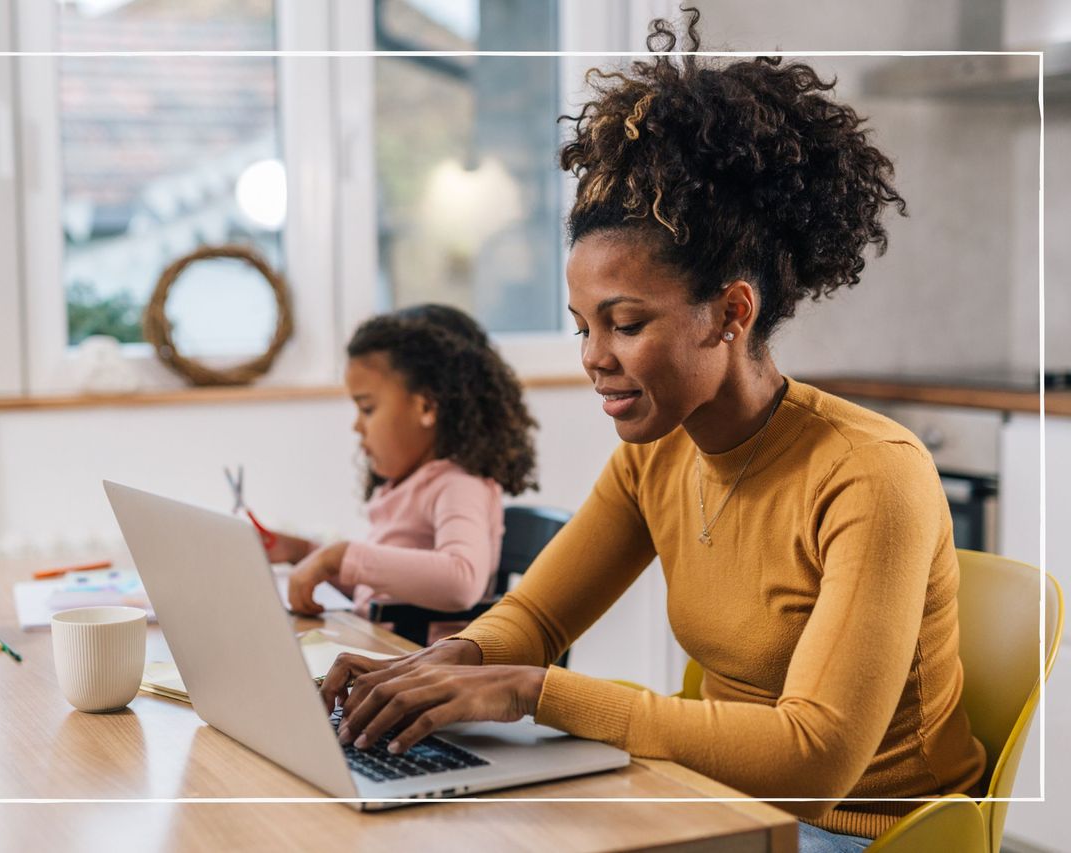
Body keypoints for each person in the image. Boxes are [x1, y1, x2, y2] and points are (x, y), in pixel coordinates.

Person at [317, 9, 986, 852]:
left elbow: (816, 758)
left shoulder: (871, 473)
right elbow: (535, 618)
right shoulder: (656, 456)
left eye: (625, 323)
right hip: (723, 801)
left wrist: (534, 693)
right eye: (582, 325)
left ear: (730, 313)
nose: (594, 358)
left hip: (866, 831)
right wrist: (440, 667)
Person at [268, 304, 539, 619]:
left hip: (416, 661)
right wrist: (302, 553)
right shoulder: (407, 486)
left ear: (425, 406)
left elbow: (461, 580)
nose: (357, 426)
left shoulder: (459, 484)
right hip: (381, 651)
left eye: (367, 409)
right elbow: (378, 587)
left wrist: (342, 556)